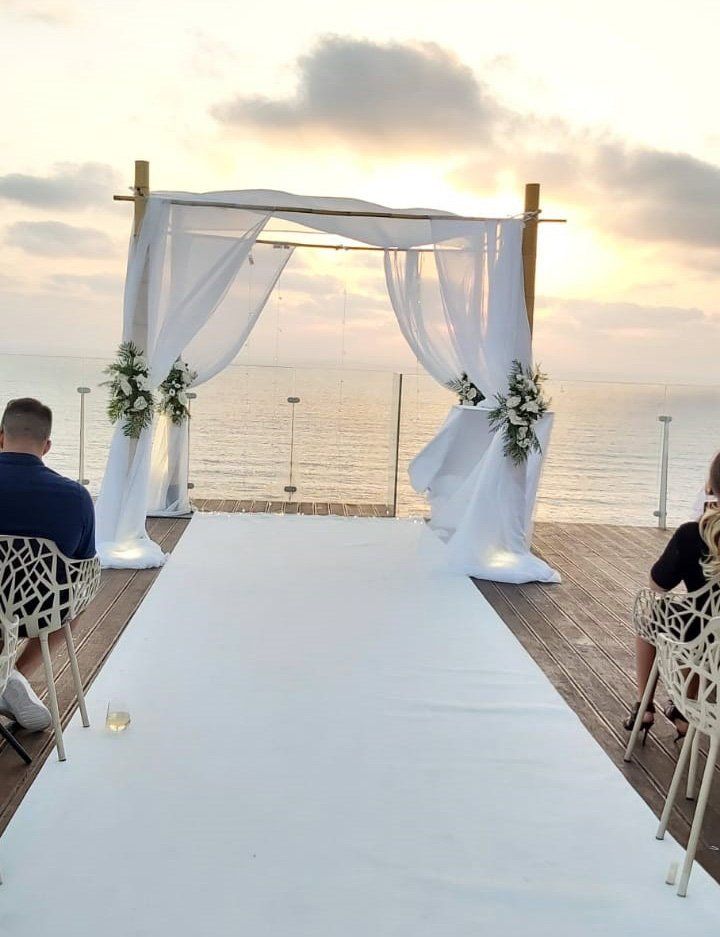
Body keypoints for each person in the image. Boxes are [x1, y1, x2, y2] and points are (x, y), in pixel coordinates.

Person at [0, 398, 96, 732]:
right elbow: (85, 568)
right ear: (47, 445)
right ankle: (13, 677)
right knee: (74, 604)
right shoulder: (75, 497)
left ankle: (7, 679)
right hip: (37, 610)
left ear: (1, 437)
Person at [623, 450, 720, 742]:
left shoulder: (694, 534)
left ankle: (646, 705)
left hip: (701, 637)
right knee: (705, 628)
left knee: (656, 614)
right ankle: (682, 709)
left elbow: (657, 586)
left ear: (711, 487)